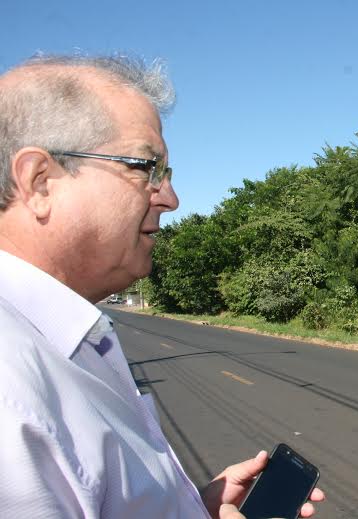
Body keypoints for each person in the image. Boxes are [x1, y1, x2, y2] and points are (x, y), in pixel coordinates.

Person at [0, 55, 324, 518]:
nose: (170, 199)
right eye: (144, 168)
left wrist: (187, 506)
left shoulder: (67, 340)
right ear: (40, 181)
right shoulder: (10, 394)